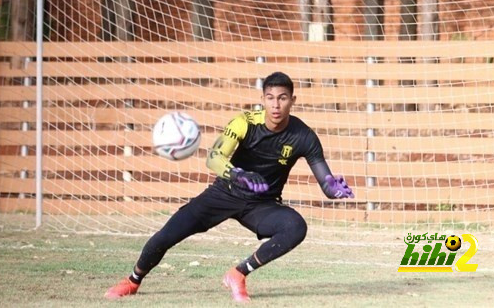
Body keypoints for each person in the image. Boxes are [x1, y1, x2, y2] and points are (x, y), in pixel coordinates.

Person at [104, 72, 354, 302]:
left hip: (261, 205)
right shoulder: (244, 123)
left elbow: (325, 181)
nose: (276, 105)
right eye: (270, 98)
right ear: (263, 99)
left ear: (292, 100)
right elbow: (213, 157)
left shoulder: (304, 136)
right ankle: (133, 281)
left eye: (282, 98)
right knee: (166, 236)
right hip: (224, 193)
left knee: (295, 227)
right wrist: (238, 174)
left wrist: (334, 189)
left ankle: (238, 274)